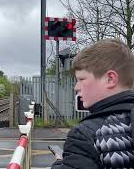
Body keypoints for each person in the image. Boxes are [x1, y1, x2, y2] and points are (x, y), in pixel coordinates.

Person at [51, 38, 134, 169]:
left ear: (110, 79)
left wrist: (61, 164)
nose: (76, 87)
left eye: (81, 79)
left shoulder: (85, 136)